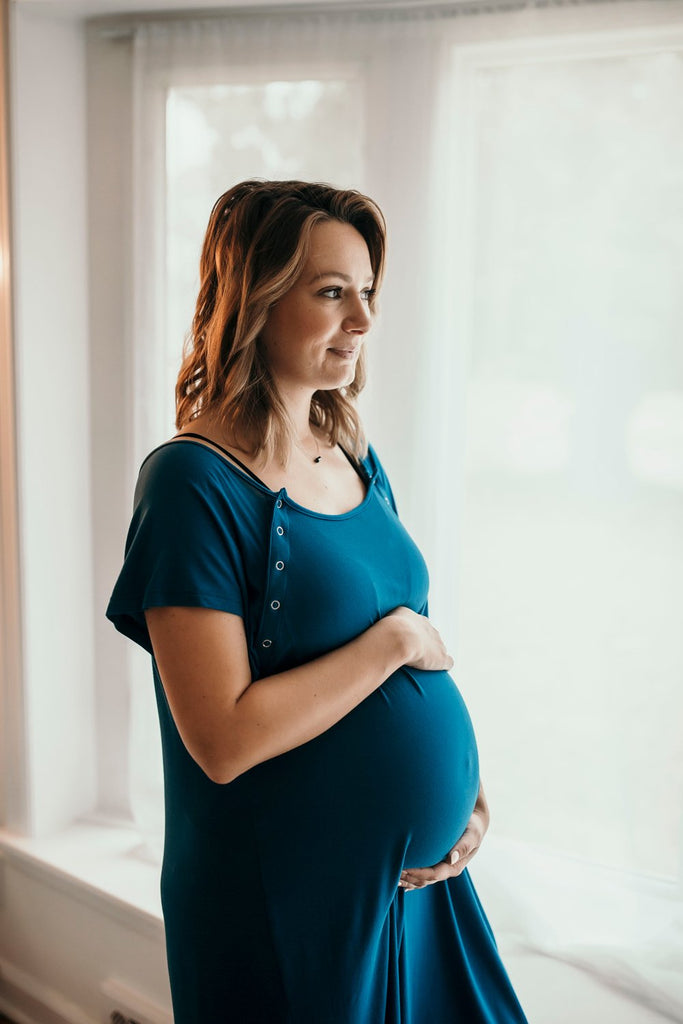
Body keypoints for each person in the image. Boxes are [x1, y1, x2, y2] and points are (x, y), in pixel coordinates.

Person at [107, 179, 528, 1024]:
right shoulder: (191, 484)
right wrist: (400, 646)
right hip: (292, 907)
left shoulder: (349, 449)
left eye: (366, 292)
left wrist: (463, 786)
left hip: (416, 889)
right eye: (331, 293)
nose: (363, 321)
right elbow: (221, 739)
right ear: (256, 301)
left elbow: (384, 621)